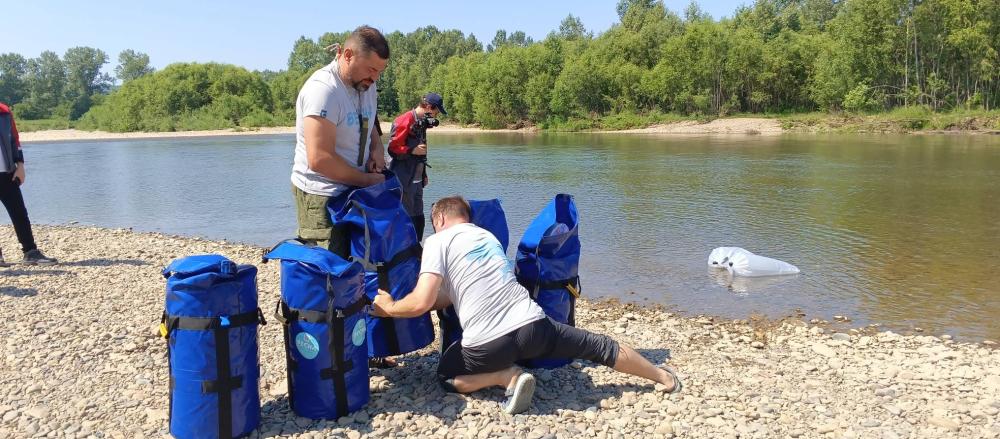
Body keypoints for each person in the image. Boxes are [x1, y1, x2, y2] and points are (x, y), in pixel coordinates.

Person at [372, 196, 681, 414]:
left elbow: (423, 300)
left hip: (487, 346)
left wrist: (390, 307)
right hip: (535, 328)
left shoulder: (439, 241)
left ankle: (506, 377)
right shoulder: (488, 239)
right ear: (467, 217)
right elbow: (449, 296)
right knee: (598, 346)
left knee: (446, 377)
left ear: (439, 219)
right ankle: (662, 377)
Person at [290, 25, 390, 258]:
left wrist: (376, 146)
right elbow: (320, 159)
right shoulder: (323, 90)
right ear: (347, 55)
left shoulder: (365, 84)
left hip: (354, 189)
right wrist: (366, 180)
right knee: (328, 267)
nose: (375, 78)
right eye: (371, 69)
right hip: (321, 195)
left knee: (356, 263)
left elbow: (369, 117)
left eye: (379, 72)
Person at [0, 102, 57, 267]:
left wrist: (20, 165)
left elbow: (14, 139)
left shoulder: (4, 111)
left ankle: (30, 252)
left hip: (7, 173)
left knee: (19, 213)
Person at [387, 92, 447, 239]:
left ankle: (417, 248)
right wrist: (411, 150)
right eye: (436, 111)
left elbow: (422, 152)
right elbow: (392, 149)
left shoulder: (422, 122)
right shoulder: (404, 120)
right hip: (403, 177)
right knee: (405, 216)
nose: (436, 115)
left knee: (418, 217)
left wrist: (424, 174)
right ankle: (403, 252)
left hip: (417, 178)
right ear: (428, 107)